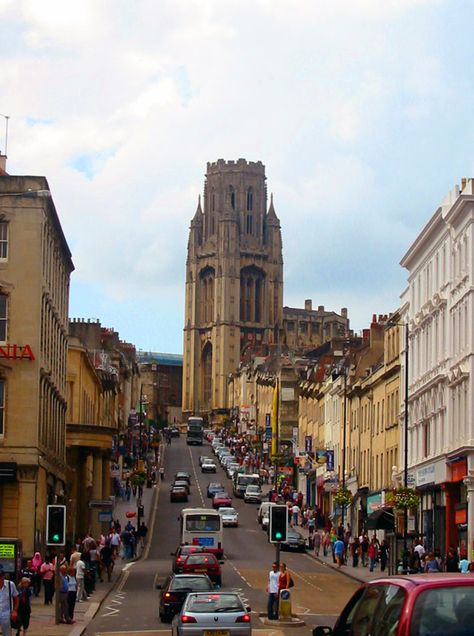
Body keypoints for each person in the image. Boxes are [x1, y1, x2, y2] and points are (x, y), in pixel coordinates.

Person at [0, 565, 19, 636]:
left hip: (7, 614)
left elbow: (16, 598)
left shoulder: (10, 585)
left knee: (7, 634)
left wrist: (15, 611)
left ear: (3, 577)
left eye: (0, 577)